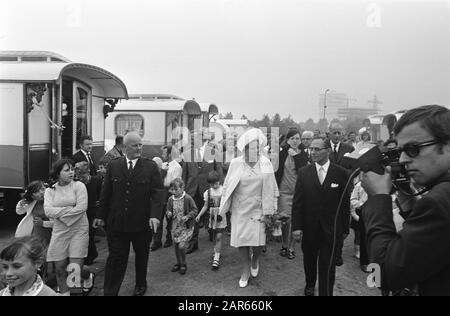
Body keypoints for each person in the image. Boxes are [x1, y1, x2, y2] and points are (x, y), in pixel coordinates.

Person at [361, 105, 450, 296]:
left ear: (447, 145)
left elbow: (381, 274)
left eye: (412, 149)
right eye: (400, 151)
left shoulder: (439, 202)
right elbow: (429, 247)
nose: (401, 159)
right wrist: (409, 204)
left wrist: (378, 199)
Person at [94, 132, 164, 296]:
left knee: (141, 256)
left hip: (141, 223)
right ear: (125, 147)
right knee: (116, 258)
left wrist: (154, 215)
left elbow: (158, 193)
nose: (139, 148)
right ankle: (110, 292)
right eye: (135, 145)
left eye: (140, 144)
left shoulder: (150, 167)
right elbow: (106, 193)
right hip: (117, 223)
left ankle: (140, 284)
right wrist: (100, 215)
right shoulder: (114, 165)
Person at [219, 128, 279, 288]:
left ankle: (255, 259)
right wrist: (223, 206)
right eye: (251, 147)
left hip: (259, 208)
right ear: (244, 148)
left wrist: (272, 209)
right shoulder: (235, 163)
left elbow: (272, 187)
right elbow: (227, 185)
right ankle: (245, 269)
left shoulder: (266, 163)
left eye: (257, 147)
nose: (254, 150)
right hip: (240, 209)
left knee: (258, 242)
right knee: (243, 241)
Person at [292, 138, 351, 296]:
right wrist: (296, 227)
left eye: (318, 149)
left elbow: (344, 203)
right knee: (309, 260)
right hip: (309, 228)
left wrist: (345, 228)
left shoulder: (341, 173)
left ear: (328, 151)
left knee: (328, 264)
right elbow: (298, 203)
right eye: (312, 149)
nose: (313, 152)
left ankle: (326, 292)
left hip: (331, 230)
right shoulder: (304, 173)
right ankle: (310, 284)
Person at [44, 159, 94, 296]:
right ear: (57, 173)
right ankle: (68, 291)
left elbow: (82, 208)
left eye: (72, 169)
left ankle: (76, 291)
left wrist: (60, 214)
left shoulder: (79, 186)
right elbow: (48, 211)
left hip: (79, 230)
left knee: (74, 268)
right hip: (60, 231)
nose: (71, 172)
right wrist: (69, 209)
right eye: (67, 170)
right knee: (60, 269)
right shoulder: (50, 190)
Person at [182, 130, 224, 254]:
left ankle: (212, 233)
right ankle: (193, 242)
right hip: (192, 190)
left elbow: (219, 171)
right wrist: (184, 190)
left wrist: (219, 188)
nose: (193, 141)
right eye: (192, 139)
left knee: (211, 214)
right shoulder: (187, 154)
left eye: (196, 139)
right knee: (193, 216)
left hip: (209, 190)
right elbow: (185, 174)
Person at [275, 128, 309, 260]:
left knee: (295, 221)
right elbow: (276, 171)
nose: (295, 141)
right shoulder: (282, 153)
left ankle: (292, 247)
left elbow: (303, 170)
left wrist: (295, 155)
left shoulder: (303, 154)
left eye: (297, 138)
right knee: (285, 220)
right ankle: (284, 244)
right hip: (284, 191)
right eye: (292, 138)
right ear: (287, 140)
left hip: (298, 192)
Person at [152, 145, 183, 251]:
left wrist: (163, 179)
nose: (162, 155)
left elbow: (175, 184)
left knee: (169, 219)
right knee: (158, 217)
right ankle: (156, 242)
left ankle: (169, 239)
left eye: (164, 153)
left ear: (169, 154)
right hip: (161, 195)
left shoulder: (177, 167)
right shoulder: (163, 165)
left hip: (170, 195)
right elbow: (156, 180)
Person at [166, 178, 198, 275]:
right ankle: (178, 263)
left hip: (186, 226)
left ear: (182, 188)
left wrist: (188, 216)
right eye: (172, 190)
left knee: (181, 245)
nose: (174, 192)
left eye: (176, 189)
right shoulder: (170, 199)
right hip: (175, 226)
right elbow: (168, 210)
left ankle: (184, 263)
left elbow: (195, 210)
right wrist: (169, 213)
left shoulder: (187, 198)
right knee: (176, 245)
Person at [196, 171, 226, 270]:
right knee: (214, 237)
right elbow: (205, 206)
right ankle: (216, 251)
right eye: (212, 184)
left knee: (219, 236)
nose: (214, 185)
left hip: (221, 216)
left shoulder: (223, 191)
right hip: (212, 217)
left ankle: (216, 258)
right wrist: (199, 215)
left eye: (216, 183)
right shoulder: (208, 192)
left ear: (219, 181)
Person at [74, 162, 103, 266]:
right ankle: (91, 254)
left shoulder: (96, 181)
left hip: (92, 212)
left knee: (90, 234)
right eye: (78, 176)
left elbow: (101, 195)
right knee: (86, 235)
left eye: (83, 175)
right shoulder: (76, 183)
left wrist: (99, 207)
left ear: (88, 172)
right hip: (82, 212)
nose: (81, 178)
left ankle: (90, 255)